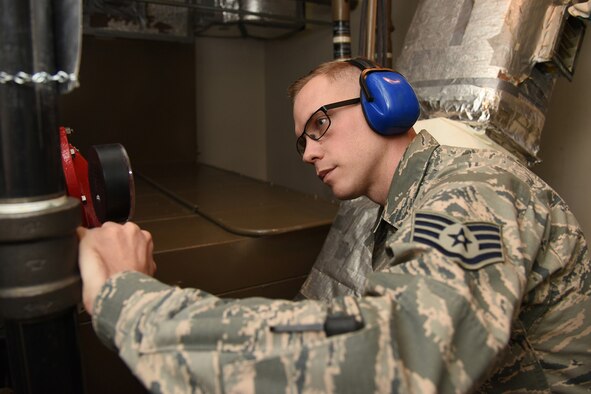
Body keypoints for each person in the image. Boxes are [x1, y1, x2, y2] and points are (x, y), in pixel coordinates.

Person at [78, 58, 591, 393]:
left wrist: (134, 303)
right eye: (301, 141)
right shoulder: (394, 209)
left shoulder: (473, 189)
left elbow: (395, 353)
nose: (308, 153)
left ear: (384, 103)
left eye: (319, 125)